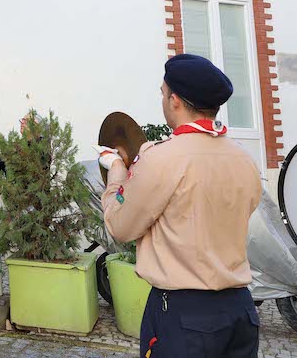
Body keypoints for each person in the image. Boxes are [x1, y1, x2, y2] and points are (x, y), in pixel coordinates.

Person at [99, 54, 262, 358]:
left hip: (185, 316)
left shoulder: (162, 159)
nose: (162, 100)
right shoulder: (244, 159)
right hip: (240, 310)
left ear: (174, 100)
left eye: (163, 93)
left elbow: (120, 227)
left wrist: (117, 175)